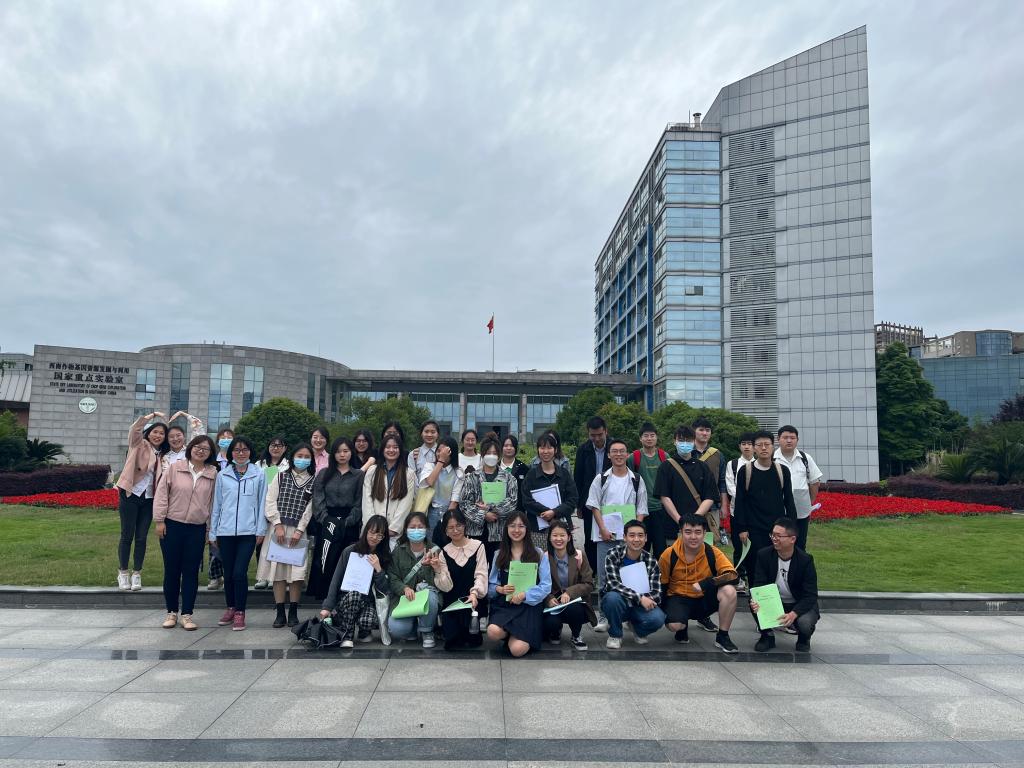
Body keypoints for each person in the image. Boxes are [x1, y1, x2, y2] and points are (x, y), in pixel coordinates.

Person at [153, 435, 218, 631]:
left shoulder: (213, 473)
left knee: (190, 572)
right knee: (172, 570)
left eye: (205, 448)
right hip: (172, 525)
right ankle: (171, 612)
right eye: (197, 446)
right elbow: (162, 494)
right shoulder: (175, 468)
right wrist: (159, 520)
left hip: (196, 528)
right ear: (190, 448)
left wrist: (209, 530)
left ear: (210, 453)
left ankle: (187, 614)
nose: (200, 451)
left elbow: (213, 504)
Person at [586, 437, 648, 632]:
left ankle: (629, 616)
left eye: (622, 451)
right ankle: (604, 616)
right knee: (604, 576)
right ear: (609, 455)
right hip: (606, 535)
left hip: (629, 539)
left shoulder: (636, 479)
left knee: (630, 577)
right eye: (615, 451)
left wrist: (636, 533)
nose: (619, 454)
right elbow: (594, 505)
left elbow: (641, 508)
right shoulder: (601, 479)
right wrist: (603, 529)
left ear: (627, 454)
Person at [209, 436, 268, 631]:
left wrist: (260, 530)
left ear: (250, 451)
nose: (241, 453)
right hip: (225, 532)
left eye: (244, 449)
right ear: (231, 453)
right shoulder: (223, 475)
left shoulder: (258, 474)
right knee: (228, 573)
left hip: (248, 532)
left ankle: (240, 611)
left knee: (239, 573)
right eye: (237, 450)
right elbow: (217, 505)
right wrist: (213, 532)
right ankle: (231, 607)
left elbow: (262, 504)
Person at [659, 514, 740, 653]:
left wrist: (706, 583)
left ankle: (722, 636)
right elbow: (663, 584)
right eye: (688, 532)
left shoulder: (712, 552)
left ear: (704, 533)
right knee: (674, 625)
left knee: (729, 591)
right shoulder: (668, 554)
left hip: (704, 597)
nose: (693, 537)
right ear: (680, 533)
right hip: (679, 598)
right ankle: (682, 624)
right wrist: (666, 612)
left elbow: (732, 575)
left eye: (698, 532)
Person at [258, 443, 316, 629]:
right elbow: (270, 501)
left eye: (306, 457)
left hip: (299, 532)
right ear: (292, 457)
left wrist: (299, 529)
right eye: (299, 455)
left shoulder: (313, 480)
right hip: (279, 531)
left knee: (296, 574)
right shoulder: (280, 476)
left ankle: (293, 611)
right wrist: (277, 524)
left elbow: (310, 509)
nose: (302, 459)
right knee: (278, 573)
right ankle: (280, 612)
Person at [115, 411, 169, 592]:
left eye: (162, 433)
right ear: (148, 433)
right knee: (127, 535)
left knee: (141, 537)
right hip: (131, 494)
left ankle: (137, 573)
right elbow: (135, 429)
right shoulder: (139, 444)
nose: (158, 435)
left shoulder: (164, 455)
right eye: (155, 432)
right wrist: (152, 416)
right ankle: (123, 572)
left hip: (149, 499)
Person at [487, 511, 552, 657]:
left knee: (517, 651)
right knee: (492, 632)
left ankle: (517, 636)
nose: (516, 530)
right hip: (505, 606)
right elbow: (490, 586)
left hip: (528, 607)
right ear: (506, 529)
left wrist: (525, 595)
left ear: (527, 529)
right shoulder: (499, 554)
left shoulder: (538, 554)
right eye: (512, 526)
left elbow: (546, 585)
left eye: (521, 526)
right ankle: (509, 633)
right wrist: (500, 589)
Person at [320, 515, 392, 648]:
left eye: (379, 535)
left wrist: (378, 569)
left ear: (384, 537)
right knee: (355, 595)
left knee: (368, 620)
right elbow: (336, 579)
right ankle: (347, 635)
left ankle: (364, 631)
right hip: (347, 598)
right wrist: (327, 607)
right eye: (372, 532)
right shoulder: (350, 551)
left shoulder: (385, 556)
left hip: (368, 601)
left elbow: (384, 589)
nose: (374, 537)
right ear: (366, 531)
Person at [750, 517, 820, 653]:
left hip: (797, 602)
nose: (774, 539)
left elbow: (810, 595)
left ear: (792, 539)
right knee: (754, 602)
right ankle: (767, 636)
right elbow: (759, 584)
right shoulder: (764, 555)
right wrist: (757, 600)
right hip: (774, 600)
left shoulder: (805, 560)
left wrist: (794, 614)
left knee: (805, 622)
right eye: (773, 535)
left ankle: (804, 638)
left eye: (779, 536)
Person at [733, 431, 798, 574]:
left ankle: (775, 589)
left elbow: (788, 500)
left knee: (776, 563)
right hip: (753, 529)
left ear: (773, 446)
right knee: (754, 564)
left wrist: (792, 527)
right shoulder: (745, 471)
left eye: (767, 444)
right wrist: (742, 528)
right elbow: (740, 501)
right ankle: (755, 589)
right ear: (754, 448)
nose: (763, 448)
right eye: (759, 445)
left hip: (777, 528)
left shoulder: (782, 471)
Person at [308, 437, 364, 599]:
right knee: (326, 559)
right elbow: (318, 498)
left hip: (348, 522)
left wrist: (349, 521)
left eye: (346, 451)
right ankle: (324, 596)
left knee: (345, 558)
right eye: (338, 451)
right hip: (327, 521)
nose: (342, 455)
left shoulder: (358, 475)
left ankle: (343, 597)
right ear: (333, 454)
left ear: (351, 453)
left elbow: (360, 501)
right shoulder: (324, 474)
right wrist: (325, 518)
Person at [386, 512, 452, 648]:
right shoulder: (398, 551)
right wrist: (404, 588)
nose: (416, 530)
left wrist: (432, 567)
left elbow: (440, 584)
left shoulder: (436, 551)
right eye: (412, 527)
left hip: (427, 598)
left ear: (427, 528)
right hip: (405, 599)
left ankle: (427, 631)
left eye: (420, 527)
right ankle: (413, 626)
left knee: (431, 597)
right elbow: (392, 577)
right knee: (397, 629)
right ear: (406, 530)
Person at [599, 520, 665, 649]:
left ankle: (638, 630)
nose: (636, 539)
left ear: (646, 538)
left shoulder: (651, 560)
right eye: (632, 535)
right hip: (619, 603)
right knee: (612, 598)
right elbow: (613, 584)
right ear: (624, 537)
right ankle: (615, 635)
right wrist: (640, 598)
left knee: (658, 618)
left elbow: (656, 593)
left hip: (638, 607)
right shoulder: (613, 554)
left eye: (640, 535)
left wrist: (641, 600)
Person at [459, 435, 518, 564]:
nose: (491, 456)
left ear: (499, 455)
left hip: (499, 532)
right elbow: (464, 504)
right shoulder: (472, 477)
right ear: (482, 454)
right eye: (488, 453)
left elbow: (512, 502)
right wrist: (484, 515)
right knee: (476, 566)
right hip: (475, 532)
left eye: (495, 453)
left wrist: (490, 508)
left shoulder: (509, 478)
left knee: (497, 565)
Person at [438, 508, 489, 650]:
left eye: (458, 525)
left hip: (473, 602)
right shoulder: (443, 552)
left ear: (465, 525)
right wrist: (437, 570)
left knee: (473, 642)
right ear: (446, 530)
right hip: (452, 604)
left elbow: (481, 574)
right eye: (450, 527)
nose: (455, 530)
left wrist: (474, 593)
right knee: (452, 643)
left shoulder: (478, 546)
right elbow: (446, 586)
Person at [654, 425, 718, 535]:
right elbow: (664, 496)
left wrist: (695, 519)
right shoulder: (666, 466)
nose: (685, 443)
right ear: (674, 442)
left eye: (688, 440)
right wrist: (680, 521)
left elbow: (710, 496)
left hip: (699, 527)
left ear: (694, 442)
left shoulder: (703, 467)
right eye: (681, 440)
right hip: (673, 526)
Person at [543, 520, 595, 650]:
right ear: (549, 538)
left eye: (562, 535)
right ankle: (555, 631)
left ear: (569, 537)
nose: (558, 539)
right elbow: (539, 583)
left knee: (574, 609)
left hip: (574, 601)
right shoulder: (544, 557)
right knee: (551, 622)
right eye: (555, 535)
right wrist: (549, 598)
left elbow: (589, 583)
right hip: (554, 602)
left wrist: (569, 592)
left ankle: (576, 635)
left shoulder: (579, 555)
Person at [522, 432, 578, 549]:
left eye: (549, 447)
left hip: (562, 528)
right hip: (537, 529)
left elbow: (573, 499)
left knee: (562, 558)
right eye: (542, 448)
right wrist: (545, 511)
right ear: (538, 450)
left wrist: (554, 512)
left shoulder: (564, 474)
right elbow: (526, 500)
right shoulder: (531, 475)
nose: (546, 451)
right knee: (539, 558)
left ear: (555, 450)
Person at [774, 425, 823, 552]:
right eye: (785, 437)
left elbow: (814, 482)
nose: (789, 440)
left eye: (792, 438)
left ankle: (798, 564)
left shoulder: (805, 458)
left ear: (797, 440)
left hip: (801, 511)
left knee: (800, 543)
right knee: (777, 542)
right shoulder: (771, 459)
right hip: (778, 510)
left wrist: (809, 502)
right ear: (778, 439)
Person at [362, 434, 416, 546]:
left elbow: (406, 503)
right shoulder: (372, 471)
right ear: (382, 450)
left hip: (394, 534)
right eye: (388, 447)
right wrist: (373, 527)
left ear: (400, 450)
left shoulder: (408, 473)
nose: (391, 450)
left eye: (395, 447)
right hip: (371, 532)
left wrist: (393, 529)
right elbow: (367, 500)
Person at [574, 416, 610, 579]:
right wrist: (579, 505)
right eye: (592, 435)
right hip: (589, 500)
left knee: (609, 536)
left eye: (599, 435)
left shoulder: (614, 447)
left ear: (606, 432)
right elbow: (578, 477)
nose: (596, 439)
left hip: (610, 500)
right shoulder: (584, 449)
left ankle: (608, 571)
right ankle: (592, 573)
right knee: (590, 537)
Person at [254, 435, 289, 590]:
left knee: (278, 544)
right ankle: (262, 577)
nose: (276, 448)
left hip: (280, 510)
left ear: (285, 448)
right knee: (261, 544)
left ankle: (275, 578)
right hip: (261, 509)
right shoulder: (259, 465)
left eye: (279, 445)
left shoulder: (288, 465)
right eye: (273, 445)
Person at [724, 433, 755, 591]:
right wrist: (745, 497)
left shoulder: (759, 464)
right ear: (739, 446)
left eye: (749, 443)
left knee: (756, 545)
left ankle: (754, 577)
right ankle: (740, 576)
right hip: (737, 511)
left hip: (756, 513)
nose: (747, 446)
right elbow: (730, 487)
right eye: (744, 444)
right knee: (738, 545)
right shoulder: (733, 464)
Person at [633, 422, 669, 555]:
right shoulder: (634, 457)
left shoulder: (664, 457)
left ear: (657, 437)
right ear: (640, 438)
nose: (649, 438)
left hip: (661, 509)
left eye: (652, 435)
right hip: (641, 510)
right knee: (641, 547)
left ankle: (660, 569)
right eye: (646, 436)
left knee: (661, 548)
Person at [207, 427, 234, 590]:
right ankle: (215, 576)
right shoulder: (212, 461)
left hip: (232, 506)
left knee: (230, 543)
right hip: (214, 505)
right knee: (214, 541)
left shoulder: (236, 461)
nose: (226, 439)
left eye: (229, 437)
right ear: (217, 441)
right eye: (223, 437)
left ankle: (229, 575)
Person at [691, 417, 728, 537]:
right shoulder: (686, 453)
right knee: (691, 538)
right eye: (701, 430)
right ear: (694, 431)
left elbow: (722, 482)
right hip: (690, 504)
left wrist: (724, 505)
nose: (705, 433)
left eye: (708, 430)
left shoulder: (717, 454)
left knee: (710, 540)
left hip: (713, 506)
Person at [420, 435, 463, 537]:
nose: (440, 454)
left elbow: (454, 500)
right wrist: (441, 461)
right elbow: (430, 481)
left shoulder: (458, 472)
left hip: (449, 511)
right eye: (438, 451)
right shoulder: (430, 466)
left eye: (444, 452)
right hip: (431, 511)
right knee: (430, 542)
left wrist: (446, 520)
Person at [499, 435, 530, 510]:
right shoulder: (495, 467)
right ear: (501, 448)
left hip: (518, 511)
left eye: (512, 446)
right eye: (506, 445)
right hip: (497, 511)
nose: (509, 448)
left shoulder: (523, 468)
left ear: (516, 448)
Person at [408, 420, 440, 488]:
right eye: (426, 431)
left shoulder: (443, 453)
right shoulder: (413, 454)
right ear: (421, 434)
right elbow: (412, 479)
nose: (429, 435)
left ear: (438, 434)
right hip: (420, 492)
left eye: (433, 432)